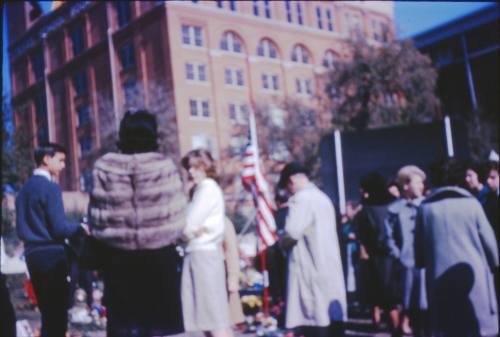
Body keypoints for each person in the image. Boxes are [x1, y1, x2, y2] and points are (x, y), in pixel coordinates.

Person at [89, 110, 186, 336]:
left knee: (124, 328)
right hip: (159, 258)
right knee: (161, 328)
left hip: (118, 260)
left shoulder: (104, 167)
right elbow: (179, 216)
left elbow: (96, 218)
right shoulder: (163, 166)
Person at [415, 159, 498, 337]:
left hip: (439, 281)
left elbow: (419, 254)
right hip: (473, 278)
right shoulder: (472, 204)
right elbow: (490, 245)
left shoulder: (425, 209)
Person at [16, 143, 87, 337]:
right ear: (46, 159)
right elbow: (60, 228)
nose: (63, 165)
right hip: (52, 256)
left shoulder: (22, 192)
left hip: (32, 255)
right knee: (57, 317)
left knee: (47, 314)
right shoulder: (50, 188)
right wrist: (81, 227)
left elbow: (20, 229)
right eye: (61, 160)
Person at [278, 162, 347, 337]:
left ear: (292, 181)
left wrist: (280, 241)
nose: (288, 192)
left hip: (309, 266)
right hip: (327, 264)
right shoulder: (323, 197)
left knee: (314, 317)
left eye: (287, 187)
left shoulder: (301, 199)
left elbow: (292, 232)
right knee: (328, 316)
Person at [180, 149, 233, 337]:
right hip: (201, 254)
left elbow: (188, 226)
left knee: (212, 318)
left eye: (196, 167)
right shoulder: (201, 190)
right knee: (207, 317)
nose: (191, 172)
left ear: (206, 167)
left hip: (202, 255)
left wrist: (181, 231)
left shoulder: (207, 188)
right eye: (189, 168)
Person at [353, 172, 401, 336]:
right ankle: (398, 327)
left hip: (377, 256)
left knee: (380, 293)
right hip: (395, 254)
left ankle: (383, 322)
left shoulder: (366, 211)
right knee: (392, 296)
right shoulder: (395, 205)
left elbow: (362, 235)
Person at [384, 165, 429, 337]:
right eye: (418, 183)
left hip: (426, 264)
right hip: (406, 265)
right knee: (410, 304)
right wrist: (398, 255)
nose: (421, 187)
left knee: (428, 306)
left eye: (422, 183)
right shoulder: (394, 210)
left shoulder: (427, 205)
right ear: (405, 186)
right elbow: (388, 237)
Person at [222, 217, 245, 329]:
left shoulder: (223, 222)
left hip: (222, 274)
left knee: (226, 324)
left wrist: (233, 277)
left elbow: (231, 251)